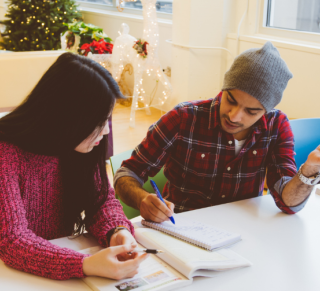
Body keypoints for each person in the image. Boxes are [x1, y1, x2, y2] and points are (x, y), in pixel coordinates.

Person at [114, 42, 320, 223]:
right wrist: (143, 199)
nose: (234, 116)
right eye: (230, 99)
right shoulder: (183, 117)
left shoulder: (277, 125)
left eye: (251, 111)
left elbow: (289, 204)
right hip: (180, 226)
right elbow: (127, 173)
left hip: (242, 231)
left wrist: (308, 171)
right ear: (223, 88)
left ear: (266, 111)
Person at [0, 53, 148, 280]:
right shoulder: (6, 152)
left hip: (49, 272)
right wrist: (84, 264)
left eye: (107, 120)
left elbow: (100, 200)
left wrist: (116, 230)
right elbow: (13, 240)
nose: (106, 131)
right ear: (68, 118)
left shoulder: (79, 147)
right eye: (98, 123)